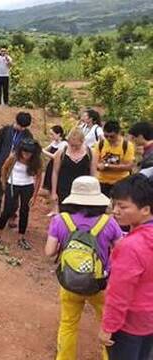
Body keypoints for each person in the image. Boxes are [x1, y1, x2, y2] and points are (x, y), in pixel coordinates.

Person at [44, 176, 122, 360]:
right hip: (100, 284)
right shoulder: (108, 222)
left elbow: (49, 252)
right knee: (107, 327)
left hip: (69, 282)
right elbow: (121, 250)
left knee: (68, 324)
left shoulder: (60, 220)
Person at [99, 175, 153, 360]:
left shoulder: (130, 246)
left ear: (145, 209)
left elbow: (119, 292)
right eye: (114, 205)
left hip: (129, 322)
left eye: (123, 207)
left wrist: (108, 327)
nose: (115, 211)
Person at [0, 112, 34, 230]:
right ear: (16, 121)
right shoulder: (4, 131)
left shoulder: (28, 135)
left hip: (16, 170)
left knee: (14, 194)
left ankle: (12, 216)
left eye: (24, 127)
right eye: (20, 126)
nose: (22, 129)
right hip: (1, 168)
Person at [0, 138, 43, 250]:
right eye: (24, 152)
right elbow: (4, 168)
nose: (26, 155)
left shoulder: (36, 161)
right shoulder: (14, 157)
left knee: (25, 211)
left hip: (28, 186)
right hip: (13, 185)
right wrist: (4, 182)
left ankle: (21, 237)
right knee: (7, 210)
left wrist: (34, 195)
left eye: (29, 153)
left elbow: (39, 177)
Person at [52, 128, 98, 208]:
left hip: (84, 191)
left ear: (82, 141)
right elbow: (55, 173)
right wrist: (53, 192)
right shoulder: (61, 153)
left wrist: (95, 191)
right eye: (71, 145)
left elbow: (93, 173)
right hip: (65, 190)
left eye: (76, 146)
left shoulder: (90, 153)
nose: (73, 148)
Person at [94, 120, 135, 197]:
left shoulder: (127, 145)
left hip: (120, 182)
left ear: (118, 133)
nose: (109, 139)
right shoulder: (101, 144)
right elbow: (95, 163)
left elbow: (129, 166)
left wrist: (107, 166)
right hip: (102, 182)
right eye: (106, 136)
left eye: (112, 136)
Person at [43, 125, 68, 216]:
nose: (51, 136)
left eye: (52, 134)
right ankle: (54, 209)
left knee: (56, 188)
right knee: (50, 189)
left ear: (59, 134)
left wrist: (43, 151)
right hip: (51, 166)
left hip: (59, 167)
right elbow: (46, 149)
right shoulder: (54, 142)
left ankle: (58, 209)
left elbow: (55, 156)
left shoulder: (64, 144)